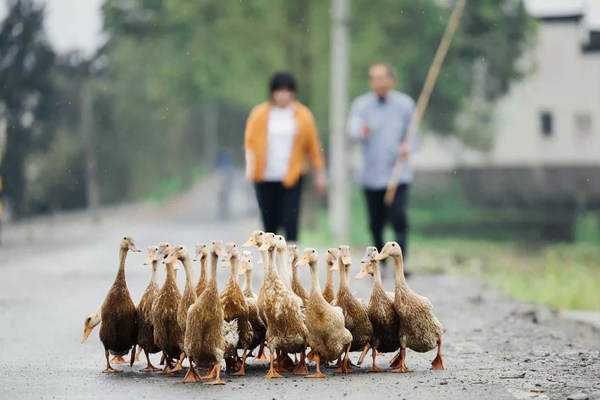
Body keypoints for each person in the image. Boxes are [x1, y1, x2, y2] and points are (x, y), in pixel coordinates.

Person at [347, 63, 418, 266]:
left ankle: (400, 264)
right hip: (372, 174)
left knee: (398, 218)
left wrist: (407, 147)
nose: (379, 83)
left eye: (383, 78)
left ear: (392, 80)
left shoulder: (405, 104)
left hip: (397, 173)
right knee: (376, 222)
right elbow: (352, 129)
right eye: (374, 79)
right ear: (370, 82)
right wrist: (362, 131)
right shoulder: (361, 105)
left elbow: (413, 134)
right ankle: (379, 264)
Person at [244, 72, 327, 243]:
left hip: (293, 175)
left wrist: (320, 175)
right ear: (272, 93)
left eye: (286, 91)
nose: (282, 95)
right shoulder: (259, 114)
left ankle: (291, 260)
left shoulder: (303, 115)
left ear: (293, 93)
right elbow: (250, 144)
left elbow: (313, 147)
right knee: (270, 222)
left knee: (291, 219)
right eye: (279, 91)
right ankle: (271, 263)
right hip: (265, 175)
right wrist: (250, 167)